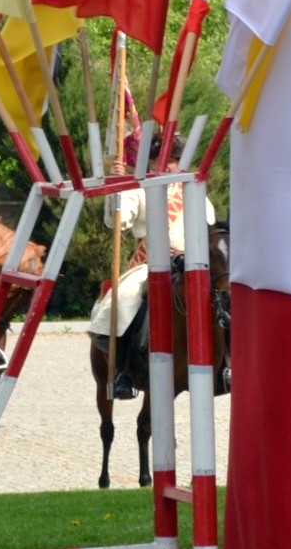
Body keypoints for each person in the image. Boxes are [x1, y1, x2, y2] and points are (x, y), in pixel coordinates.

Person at [90, 137, 217, 400]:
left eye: (174, 160)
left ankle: (226, 363)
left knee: (224, 300)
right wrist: (118, 186)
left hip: (192, 264)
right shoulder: (139, 189)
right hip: (149, 264)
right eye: (164, 159)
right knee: (124, 301)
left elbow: (209, 230)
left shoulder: (194, 190)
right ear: (152, 161)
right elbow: (118, 221)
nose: (169, 165)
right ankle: (124, 370)